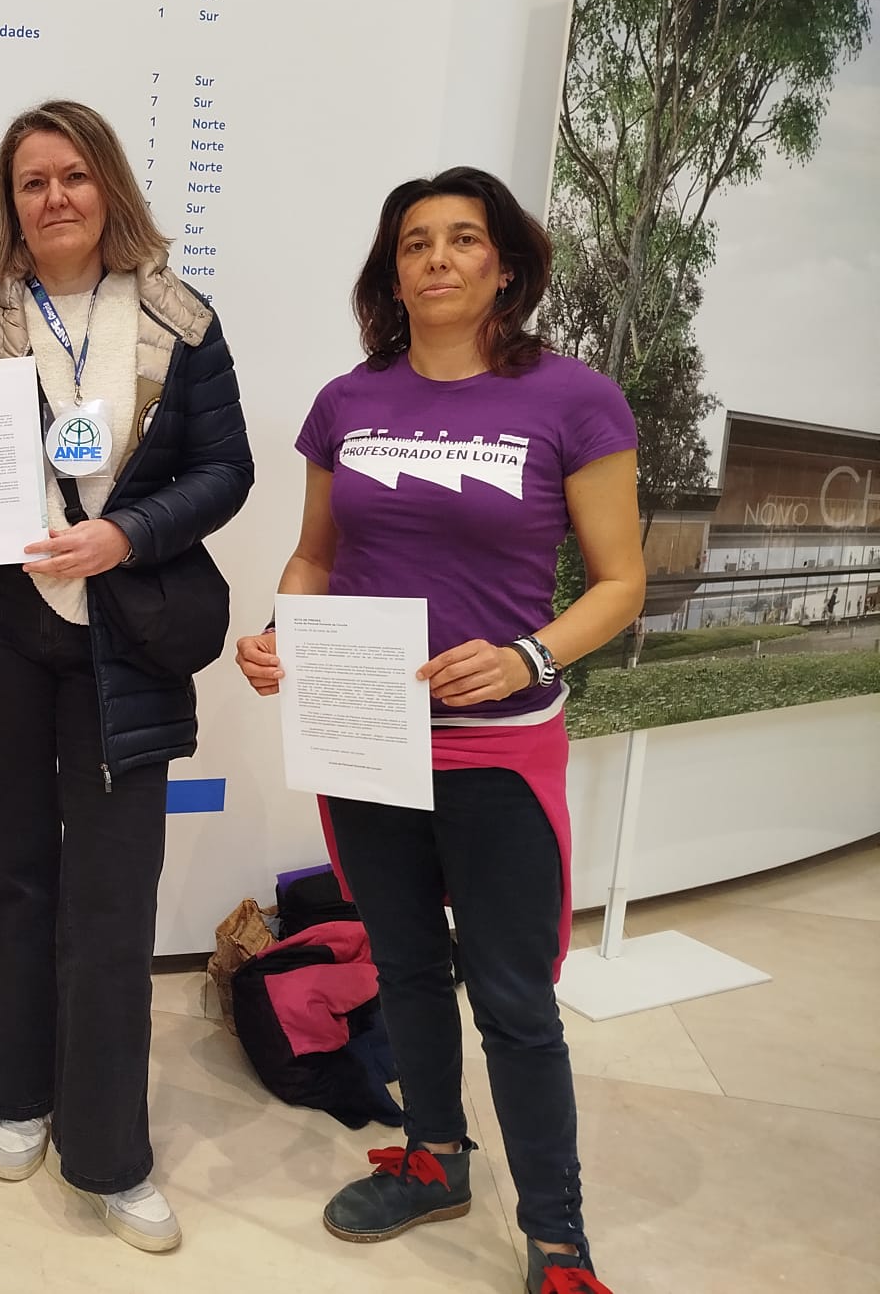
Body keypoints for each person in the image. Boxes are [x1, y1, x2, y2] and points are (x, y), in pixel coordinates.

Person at [233, 167, 644, 1294]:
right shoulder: (347, 401)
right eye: (415, 242)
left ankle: (556, 1238)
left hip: (496, 744)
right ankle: (433, 1159)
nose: (437, 259)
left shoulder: (574, 400)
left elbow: (621, 583)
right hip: (365, 731)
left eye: (464, 239)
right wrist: (280, 634)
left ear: (504, 266)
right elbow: (314, 556)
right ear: (392, 271)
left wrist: (524, 656)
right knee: (406, 963)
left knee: (513, 998)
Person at [0, 101, 253, 1252]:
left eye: (72, 176)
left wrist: (125, 533)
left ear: (108, 187)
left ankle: (110, 1154)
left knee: (111, 900)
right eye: (30, 182)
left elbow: (225, 470)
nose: (53, 198)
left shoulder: (179, 319)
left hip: (121, 641)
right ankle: (16, 1095)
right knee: (14, 878)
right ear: (11, 203)